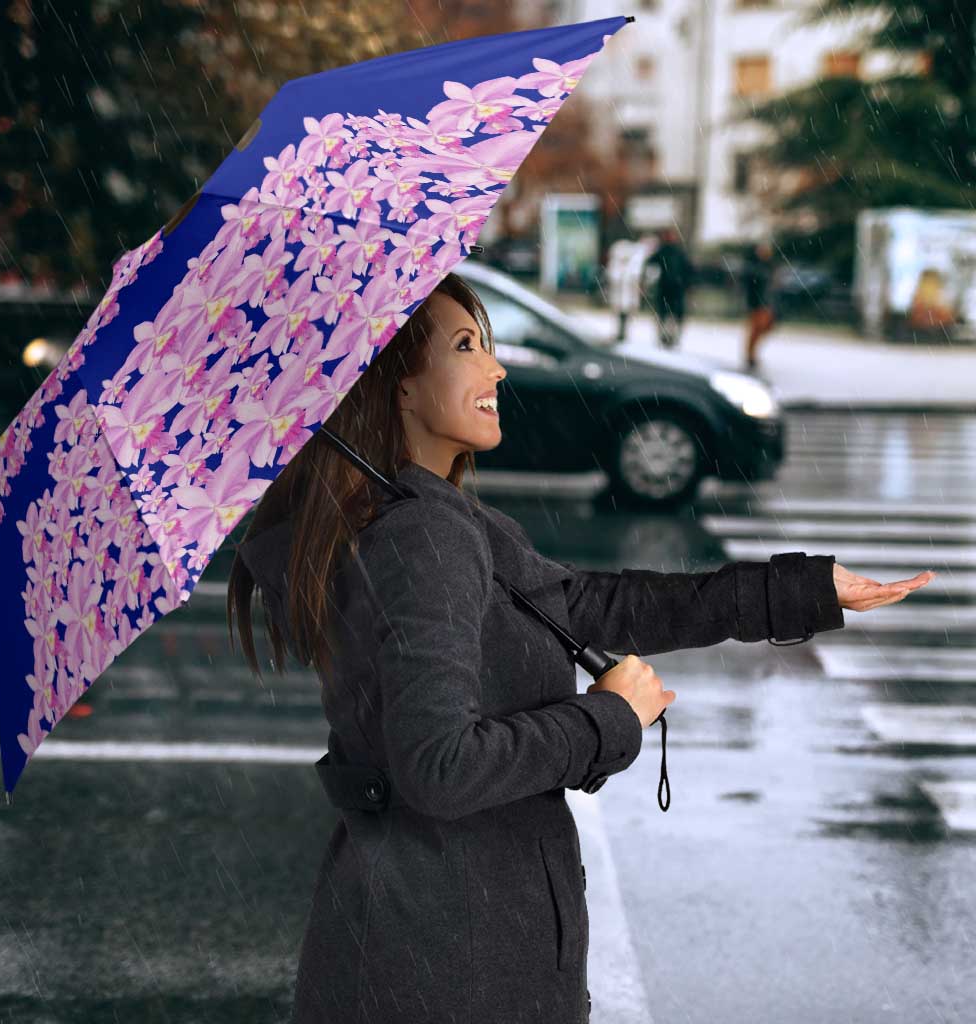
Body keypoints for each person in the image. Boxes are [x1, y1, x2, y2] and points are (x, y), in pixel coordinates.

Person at [228, 271, 924, 1024]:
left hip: (427, 944)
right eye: (467, 346)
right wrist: (608, 719)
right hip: (450, 963)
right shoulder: (420, 536)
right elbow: (440, 768)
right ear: (397, 386)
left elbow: (591, 605)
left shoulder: (423, 518)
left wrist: (803, 591)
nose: (496, 368)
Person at [644, 226, 694, 349]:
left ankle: (671, 337)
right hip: (667, 288)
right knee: (665, 314)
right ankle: (665, 337)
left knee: (672, 315)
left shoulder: (677, 252)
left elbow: (688, 270)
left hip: (675, 288)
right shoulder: (664, 251)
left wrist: (687, 284)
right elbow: (650, 264)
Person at [742, 239, 778, 370]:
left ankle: (751, 354)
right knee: (756, 329)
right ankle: (750, 355)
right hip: (757, 303)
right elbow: (751, 286)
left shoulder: (769, 266)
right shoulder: (754, 267)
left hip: (766, 303)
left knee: (764, 328)